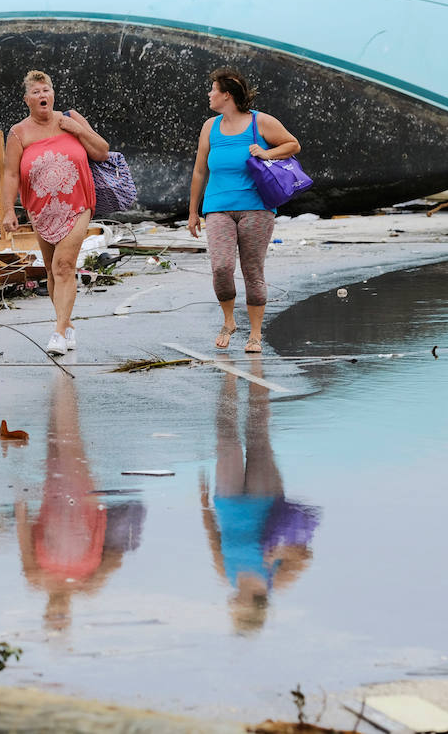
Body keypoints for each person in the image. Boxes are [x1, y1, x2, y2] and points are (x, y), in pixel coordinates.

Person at [198, 362, 320, 634]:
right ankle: (256, 372)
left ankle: (230, 378)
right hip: (265, 500)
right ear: (251, 609)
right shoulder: (278, 580)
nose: (230, 608)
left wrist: (203, 503)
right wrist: (281, 552)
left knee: (226, 438)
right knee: (257, 435)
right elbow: (306, 555)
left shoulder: (226, 576)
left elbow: (213, 537)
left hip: (226, 500)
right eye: (236, 613)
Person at [17, 372, 144, 631]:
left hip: (57, 497)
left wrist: (20, 500)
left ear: (45, 614)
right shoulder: (87, 584)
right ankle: (63, 383)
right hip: (82, 499)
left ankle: (61, 384)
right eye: (61, 620)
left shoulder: (37, 578)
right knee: (66, 438)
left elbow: (24, 536)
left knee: (60, 438)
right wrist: (100, 579)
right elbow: (115, 555)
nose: (58, 614)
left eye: (54, 619)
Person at [186, 68, 301, 354]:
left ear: (227, 95)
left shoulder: (259, 122)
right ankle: (229, 321)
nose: (209, 94)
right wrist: (192, 212)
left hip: (256, 208)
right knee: (222, 267)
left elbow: (292, 144)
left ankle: (256, 334)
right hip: (217, 208)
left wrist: (266, 152)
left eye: (213, 89)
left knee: (253, 271)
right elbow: (200, 171)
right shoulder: (209, 127)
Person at [0, 70, 109, 355]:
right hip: (40, 210)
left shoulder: (70, 118)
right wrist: (9, 210)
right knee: (50, 270)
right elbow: (10, 174)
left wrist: (78, 130)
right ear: (27, 100)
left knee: (64, 265)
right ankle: (67, 323)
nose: (42, 96)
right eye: (35, 92)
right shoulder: (18, 133)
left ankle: (59, 332)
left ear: (53, 94)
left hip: (77, 204)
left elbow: (102, 151)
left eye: (46, 90)